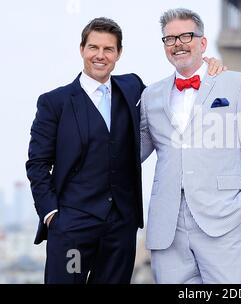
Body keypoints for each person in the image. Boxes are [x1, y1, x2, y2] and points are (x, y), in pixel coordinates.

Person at [25, 17, 224, 284]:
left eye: (109, 49)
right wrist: (52, 215)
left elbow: (172, 96)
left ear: (118, 53)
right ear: (82, 49)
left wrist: (207, 69)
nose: (100, 55)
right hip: (73, 228)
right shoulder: (55, 102)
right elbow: (37, 163)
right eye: (94, 47)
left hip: (120, 228)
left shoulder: (132, 88)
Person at [140, 8, 241, 283]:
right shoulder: (151, 95)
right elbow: (131, 154)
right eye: (170, 39)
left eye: (186, 36)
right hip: (168, 228)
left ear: (202, 42)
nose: (178, 44)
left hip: (223, 220)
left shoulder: (236, 84)